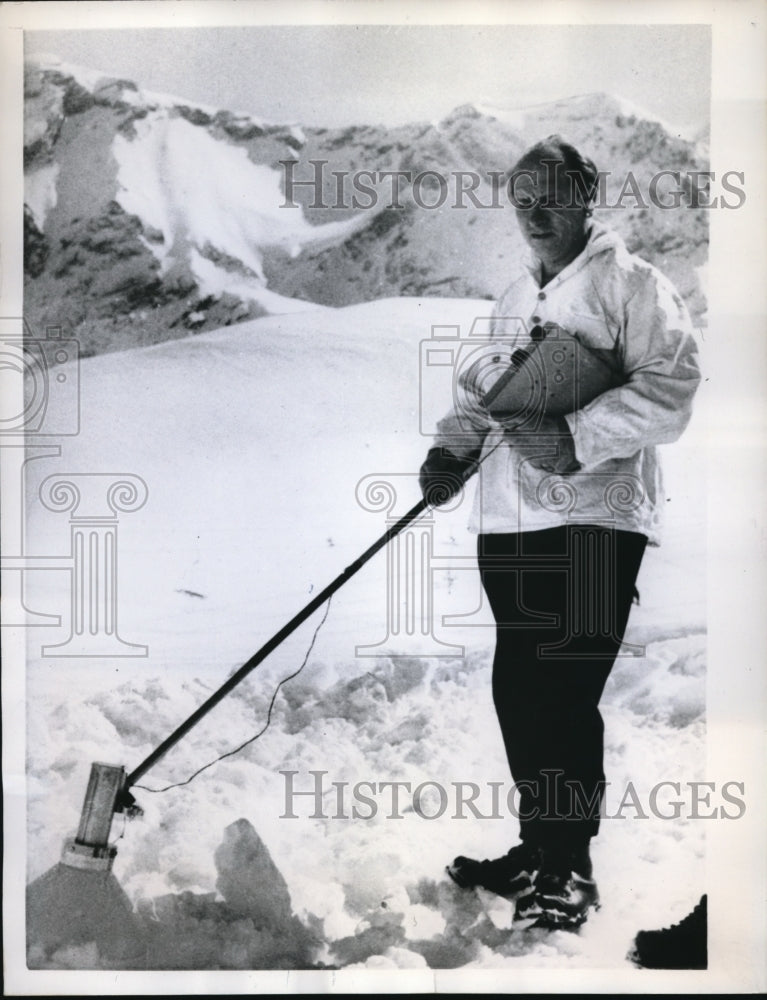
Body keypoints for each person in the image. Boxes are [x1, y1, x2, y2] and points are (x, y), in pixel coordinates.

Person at [419, 135, 701, 930]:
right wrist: (451, 451)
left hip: (593, 519)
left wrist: (577, 434)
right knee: (520, 690)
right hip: (510, 522)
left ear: (586, 194)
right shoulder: (515, 299)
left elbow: (671, 389)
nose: (534, 213)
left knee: (563, 694)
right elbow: (488, 393)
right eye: (521, 199)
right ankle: (539, 847)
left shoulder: (633, 286)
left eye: (549, 194)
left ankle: (568, 868)